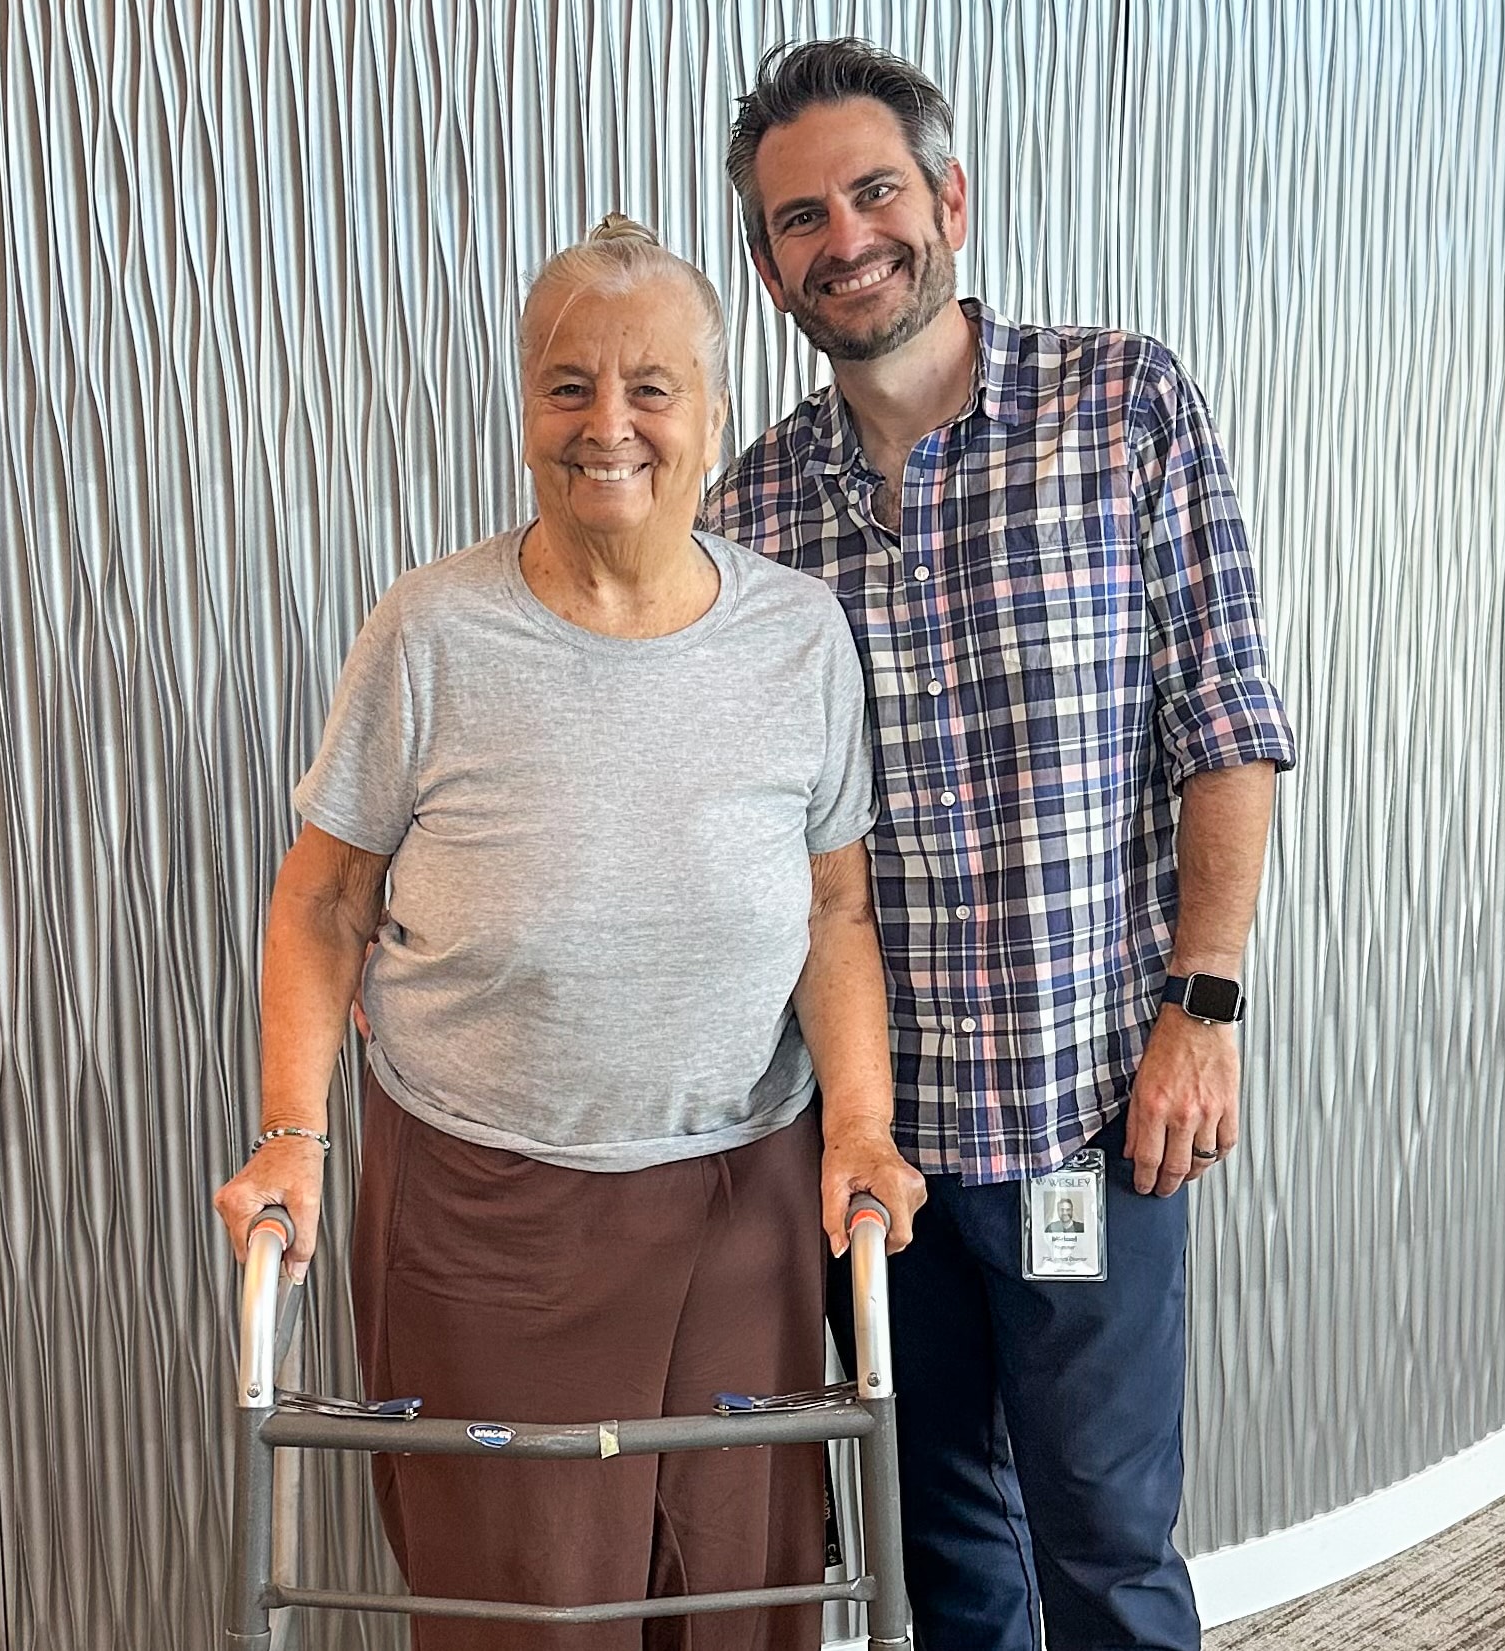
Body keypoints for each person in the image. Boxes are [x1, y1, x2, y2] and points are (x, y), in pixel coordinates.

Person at [213, 214, 925, 1651]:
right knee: (520, 1608)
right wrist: (293, 1130)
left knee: (744, 1591)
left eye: (652, 387)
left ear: (715, 418)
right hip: (486, 1212)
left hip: (747, 1202)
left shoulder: (798, 636)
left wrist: (860, 1128)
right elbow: (323, 897)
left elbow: (835, 908)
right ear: (526, 408)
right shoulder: (430, 631)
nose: (610, 425)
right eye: (568, 385)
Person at [705, 40, 1298, 1651]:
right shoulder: (747, 519)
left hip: (1091, 1110)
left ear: (949, 197)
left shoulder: (1122, 403)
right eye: (799, 218)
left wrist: (1209, 1002)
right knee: (948, 1558)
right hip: (873, 1151)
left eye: (875, 190)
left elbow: (1225, 724)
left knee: (1107, 1543)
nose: (846, 239)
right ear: (770, 270)